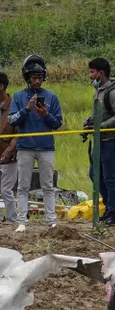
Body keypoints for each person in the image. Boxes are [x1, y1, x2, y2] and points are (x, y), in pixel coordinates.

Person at [7, 56, 62, 228]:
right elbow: (12, 120)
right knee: (23, 186)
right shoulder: (18, 96)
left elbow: (58, 124)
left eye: (39, 77)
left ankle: (50, 220)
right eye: (34, 78)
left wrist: (45, 114)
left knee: (48, 185)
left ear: (43, 77)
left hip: (46, 146)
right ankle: (22, 221)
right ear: (28, 78)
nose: (37, 81)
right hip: (25, 147)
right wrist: (27, 109)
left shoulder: (51, 97)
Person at [88, 58, 115, 225]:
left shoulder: (113, 93)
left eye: (92, 72)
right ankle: (108, 206)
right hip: (100, 141)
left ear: (101, 73)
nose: (90, 76)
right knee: (94, 174)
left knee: (110, 178)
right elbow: (100, 112)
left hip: (111, 141)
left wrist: (101, 126)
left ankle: (113, 212)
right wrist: (89, 121)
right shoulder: (99, 90)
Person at [0, 74, 14, 226]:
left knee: (6, 190)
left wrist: (10, 149)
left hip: (9, 154)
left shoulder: (13, 105)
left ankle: (11, 221)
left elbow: (19, 131)